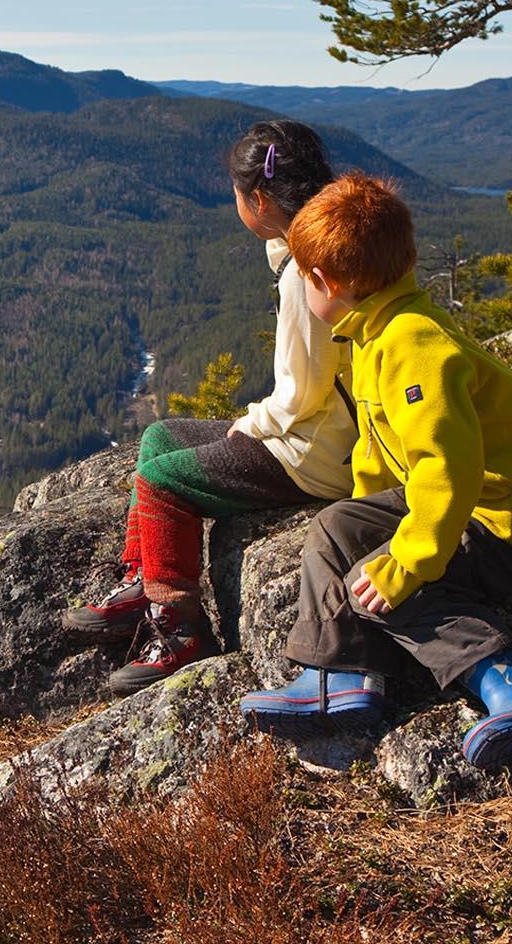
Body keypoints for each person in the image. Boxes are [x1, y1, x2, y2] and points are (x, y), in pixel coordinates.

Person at [238, 174, 512, 769]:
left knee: (381, 587)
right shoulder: (374, 330)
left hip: (505, 521)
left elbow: (449, 468)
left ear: (324, 283)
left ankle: (511, 683)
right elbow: (378, 445)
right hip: (463, 500)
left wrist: (407, 562)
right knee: (337, 529)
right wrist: (372, 514)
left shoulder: (414, 346)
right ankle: (340, 675)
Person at [63, 120, 356, 694]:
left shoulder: (305, 272)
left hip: (317, 455)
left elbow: (301, 396)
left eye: (236, 193)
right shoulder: (330, 243)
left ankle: (178, 627)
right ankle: (145, 574)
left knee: (160, 478)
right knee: (161, 437)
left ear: (261, 199)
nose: (234, 203)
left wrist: (246, 427)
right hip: (326, 435)